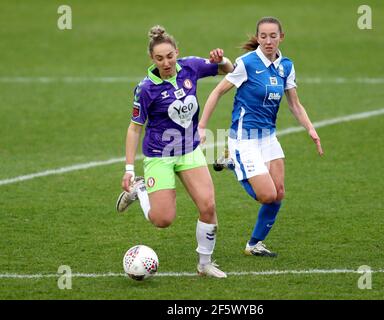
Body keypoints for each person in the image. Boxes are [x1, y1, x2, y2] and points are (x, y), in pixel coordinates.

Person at [198, 17, 323, 257]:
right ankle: (233, 163)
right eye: (263, 36)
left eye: (273, 36)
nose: (268, 41)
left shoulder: (286, 65)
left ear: (281, 37)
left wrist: (310, 128)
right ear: (258, 37)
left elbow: (295, 105)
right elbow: (217, 92)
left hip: (268, 138)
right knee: (267, 195)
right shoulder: (246, 63)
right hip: (245, 139)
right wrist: (203, 126)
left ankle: (254, 244)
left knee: (279, 193)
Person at [115, 25, 234, 277]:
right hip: (159, 155)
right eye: (160, 58)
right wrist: (128, 169)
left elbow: (229, 70)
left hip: (189, 150)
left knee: (208, 206)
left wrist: (220, 59)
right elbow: (134, 129)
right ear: (152, 59)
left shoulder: (190, 67)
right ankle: (140, 188)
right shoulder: (146, 88)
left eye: (170, 56)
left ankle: (205, 264)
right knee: (162, 219)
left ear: (176, 53)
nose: (166, 62)